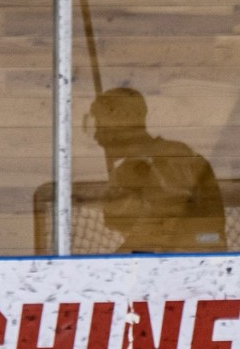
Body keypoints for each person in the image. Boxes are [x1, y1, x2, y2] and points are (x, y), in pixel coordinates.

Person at [88, 87, 227, 254]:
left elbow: (174, 225)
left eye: (100, 123)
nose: (96, 136)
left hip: (195, 261)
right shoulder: (123, 172)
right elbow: (124, 227)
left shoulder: (175, 156)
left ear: (126, 118)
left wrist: (135, 210)